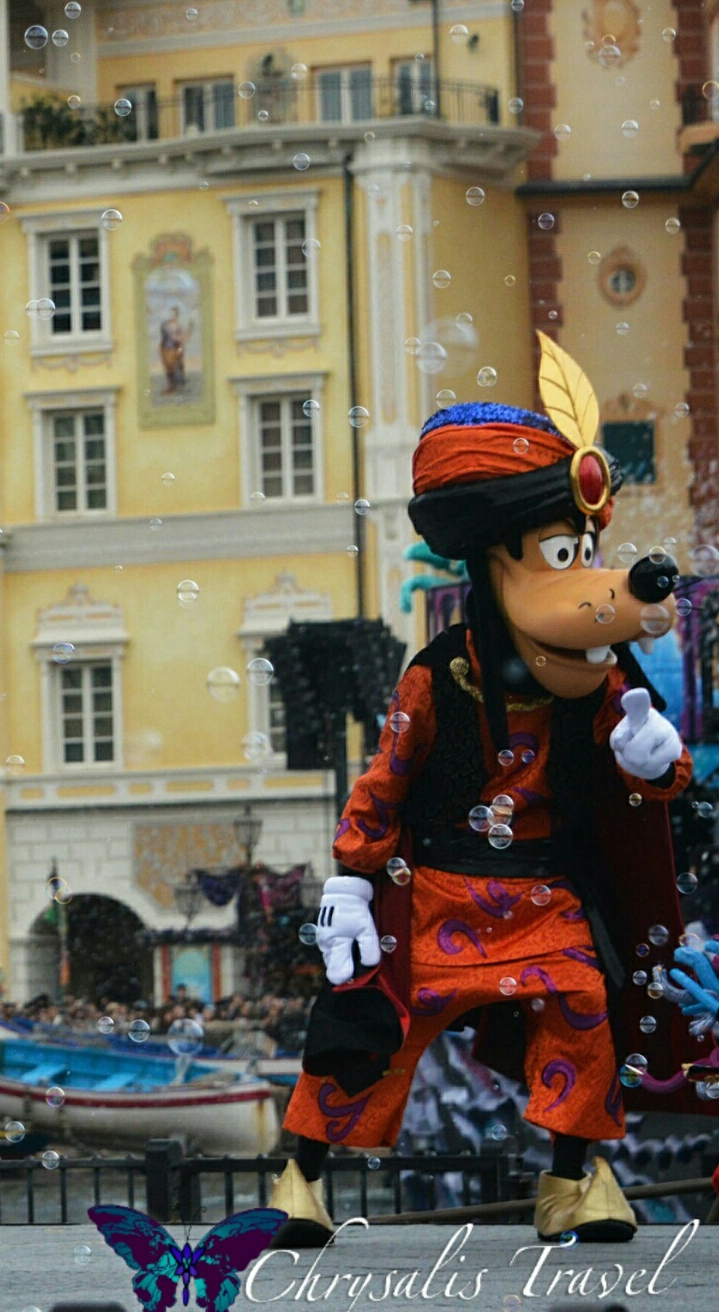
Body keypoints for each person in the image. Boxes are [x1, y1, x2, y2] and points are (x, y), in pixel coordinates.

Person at [274, 336, 694, 1248]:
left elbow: (658, 777)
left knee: (582, 1005)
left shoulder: (600, 676)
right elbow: (383, 780)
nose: (579, 574)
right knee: (377, 1032)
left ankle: (571, 1180)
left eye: (581, 550)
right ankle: (299, 1175)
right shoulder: (437, 675)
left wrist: (649, 754)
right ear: (493, 566)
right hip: (439, 896)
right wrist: (350, 879)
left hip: (544, 894)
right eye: (556, 552)